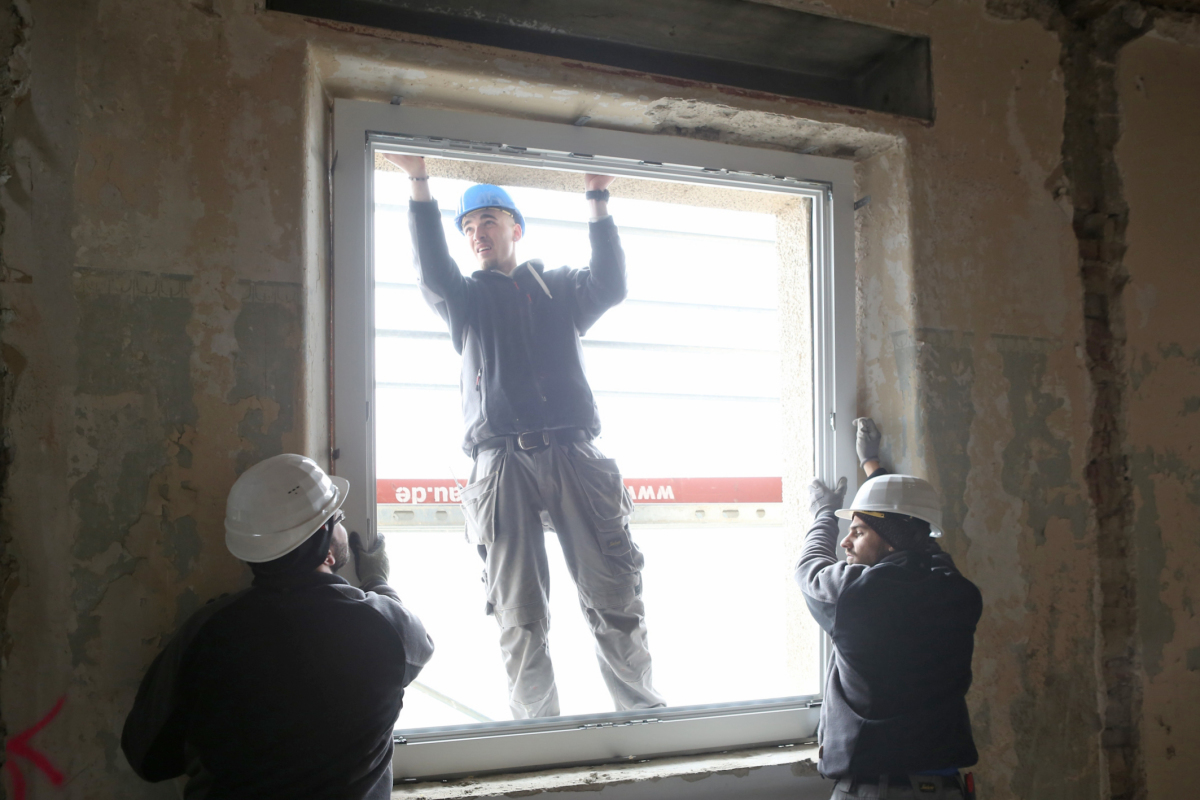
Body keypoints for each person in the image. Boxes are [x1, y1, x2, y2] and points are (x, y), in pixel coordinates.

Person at [382, 153, 664, 719]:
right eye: (467, 228)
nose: (477, 234)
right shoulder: (466, 300)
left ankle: (642, 722)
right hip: (499, 463)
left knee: (614, 597)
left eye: (487, 221)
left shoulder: (558, 286)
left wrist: (597, 197)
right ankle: (539, 737)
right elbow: (434, 274)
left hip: (574, 454)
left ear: (516, 227)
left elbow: (610, 285)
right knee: (520, 614)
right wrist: (418, 182)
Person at [122, 454, 434, 799]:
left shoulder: (207, 631)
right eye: (339, 518)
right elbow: (413, 642)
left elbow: (149, 759)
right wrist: (377, 580)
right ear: (326, 545)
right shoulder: (384, 627)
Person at [795, 418, 982, 800]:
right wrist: (873, 469)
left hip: (878, 790)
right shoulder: (956, 589)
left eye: (858, 530)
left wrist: (823, 515)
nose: (846, 541)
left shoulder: (857, 594)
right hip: (946, 788)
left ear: (892, 541)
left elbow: (809, 569)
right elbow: (917, 535)